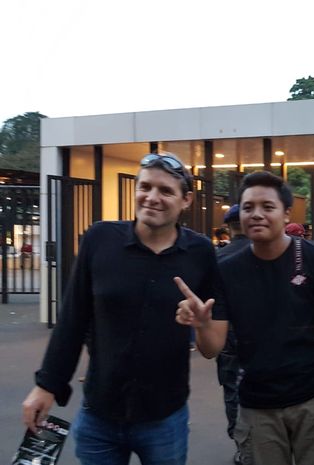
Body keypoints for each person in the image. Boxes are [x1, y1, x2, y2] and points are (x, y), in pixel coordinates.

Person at [22, 153, 219, 465]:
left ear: (186, 200)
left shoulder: (201, 253)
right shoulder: (99, 240)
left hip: (165, 417)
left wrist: (202, 324)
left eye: (166, 191)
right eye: (145, 187)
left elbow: (212, 348)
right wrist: (47, 385)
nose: (152, 198)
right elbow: (73, 319)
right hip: (99, 414)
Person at [175, 171, 314, 465]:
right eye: (248, 207)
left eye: (267, 207)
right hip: (256, 406)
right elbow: (211, 348)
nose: (256, 215)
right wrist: (202, 326)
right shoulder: (227, 270)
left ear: (285, 213)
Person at [214, 203, 250, 461]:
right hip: (260, 335)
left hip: (228, 335)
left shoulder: (218, 258)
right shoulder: (263, 253)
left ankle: (240, 442)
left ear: (228, 227)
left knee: (231, 389)